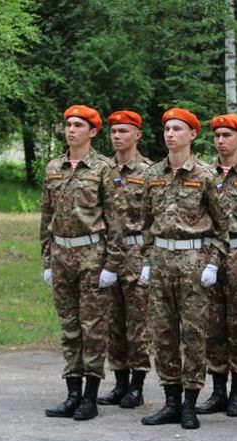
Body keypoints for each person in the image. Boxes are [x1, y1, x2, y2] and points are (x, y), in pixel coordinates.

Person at [139, 107, 228, 430]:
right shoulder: (152, 174)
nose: (170, 134)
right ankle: (171, 400)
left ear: (192, 135)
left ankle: (190, 401)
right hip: (161, 261)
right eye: (167, 129)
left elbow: (223, 229)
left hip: (193, 264)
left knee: (193, 334)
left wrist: (213, 264)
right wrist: (147, 260)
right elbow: (145, 223)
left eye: (177, 129)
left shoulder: (205, 176)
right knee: (162, 334)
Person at [41, 105, 125, 421]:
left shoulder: (104, 168)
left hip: (92, 255)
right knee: (69, 326)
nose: (71, 130)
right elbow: (46, 215)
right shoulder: (54, 167)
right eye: (68, 124)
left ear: (92, 132)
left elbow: (116, 219)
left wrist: (112, 264)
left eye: (78, 125)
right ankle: (72, 392)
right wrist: (47, 258)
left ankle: (90, 396)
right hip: (62, 254)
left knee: (94, 327)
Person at [197, 113, 237, 418]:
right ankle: (218, 390)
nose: (221, 140)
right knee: (212, 325)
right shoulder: (205, 174)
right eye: (217, 135)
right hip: (210, 255)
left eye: (227, 135)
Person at [96, 110, 153, 409]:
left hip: (136, 251)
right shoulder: (102, 169)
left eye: (123, 131)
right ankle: (119, 381)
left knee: (138, 321)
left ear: (137, 135)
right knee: (112, 320)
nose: (117, 136)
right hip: (107, 253)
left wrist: (149, 259)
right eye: (114, 131)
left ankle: (137, 384)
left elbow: (155, 217)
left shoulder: (148, 171)